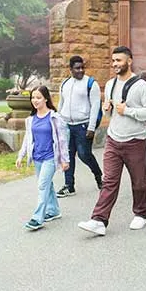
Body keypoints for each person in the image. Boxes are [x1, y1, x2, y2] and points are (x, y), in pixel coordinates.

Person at [78, 46, 146, 236]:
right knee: (109, 182)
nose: (115, 64)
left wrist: (128, 110)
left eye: (119, 60)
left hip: (135, 141)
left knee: (139, 182)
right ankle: (99, 220)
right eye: (113, 60)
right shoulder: (111, 84)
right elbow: (113, 110)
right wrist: (108, 108)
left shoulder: (141, 85)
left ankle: (141, 214)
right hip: (113, 140)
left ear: (129, 61)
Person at [16, 86, 70, 231]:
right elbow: (28, 138)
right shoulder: (31, 120)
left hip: (50, 157)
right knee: (47, 184)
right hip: (37, 158)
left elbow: (62, 140)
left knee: (42, 185)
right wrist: (21, 155)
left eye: (38, 97)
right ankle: (54, 211)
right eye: (33, 97)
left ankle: (37, 218)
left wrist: (65, 159)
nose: (35, 100)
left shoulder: (54, 118)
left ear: (46, 99)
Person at [57, 55, 103, 197]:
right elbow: (61, 104)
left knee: (84, 154)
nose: (81, 70)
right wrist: (58, 122)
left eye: (82, 67)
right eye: (77, 68)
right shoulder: (65, 84)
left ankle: (99, 176)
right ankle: (69, 185)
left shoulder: (90, 83)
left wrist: (91, 127)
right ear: (70, 69)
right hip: (67, 126)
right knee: (67, 156)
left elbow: (95, 107)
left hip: (83, 126)